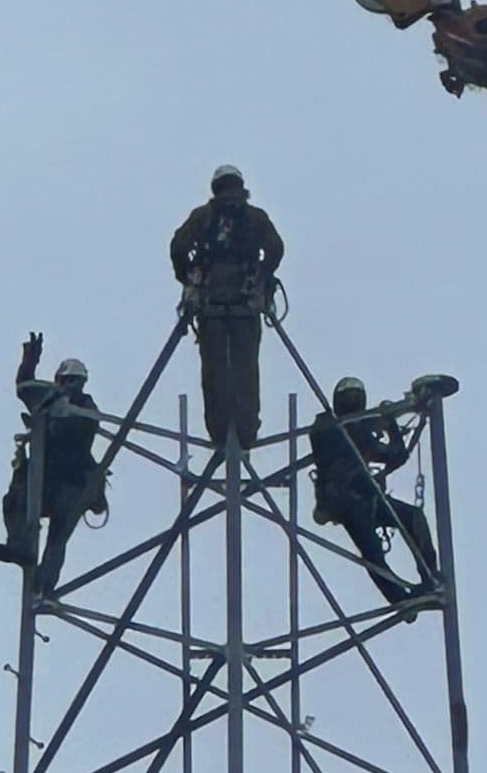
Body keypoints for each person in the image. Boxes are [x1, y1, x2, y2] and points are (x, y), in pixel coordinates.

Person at [310, 375, 453, 613]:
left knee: (411, 518)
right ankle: (400, 599)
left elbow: (395, 455)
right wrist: (387, 421)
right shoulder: (327, 426)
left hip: (366, 496)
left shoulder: (357, 427)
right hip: (344, 500)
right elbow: (385, 450)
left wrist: (391, 424)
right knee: (373, 553)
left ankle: (430, 580)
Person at [170, 166, 284, 448]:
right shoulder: (254, 217)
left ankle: (220, 431)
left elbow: (178, 246)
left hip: (211, 306)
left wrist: (187, 276)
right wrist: (262, 276)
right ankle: (245, 430)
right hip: (245, 303)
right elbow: (276, 247)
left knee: (214, 370)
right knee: (246, 369)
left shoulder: (203, 217)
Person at [0, 331, 105, 595]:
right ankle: (20, 547)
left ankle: (42, 588)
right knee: (15, 501)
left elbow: (79, 431)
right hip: (47, 479)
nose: (70, 386)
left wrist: (55, 420)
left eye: (75, 381)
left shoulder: (85, 407)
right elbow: (25, 387)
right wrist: (29, 362)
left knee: (58, 537)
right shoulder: (47, 399)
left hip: (73, 482)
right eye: (66, 381)